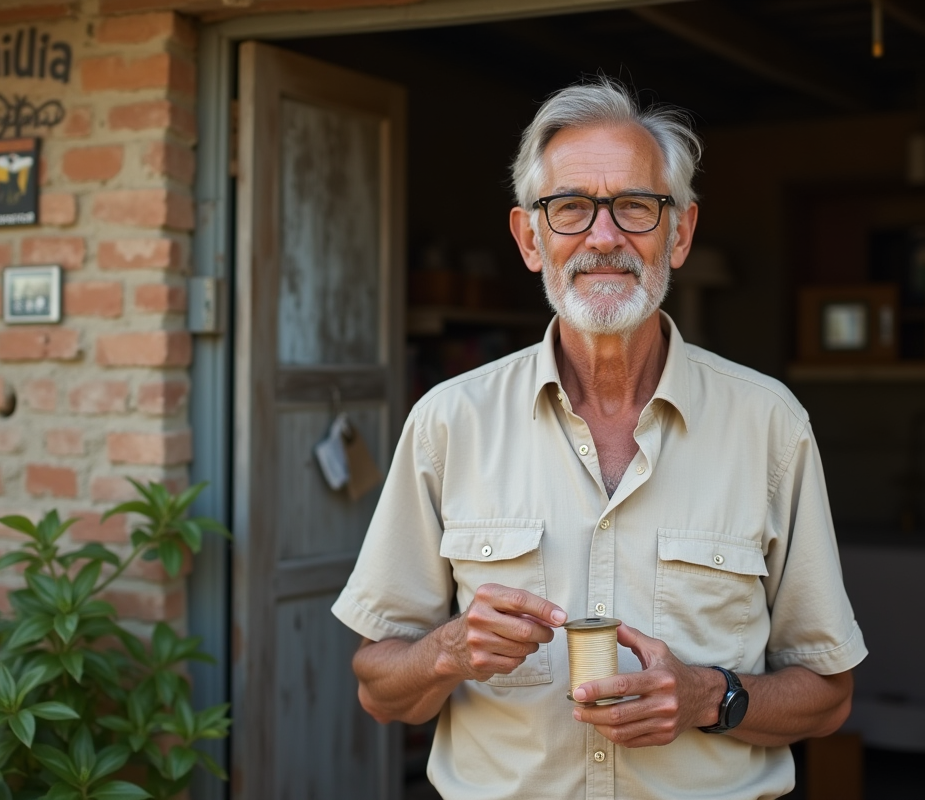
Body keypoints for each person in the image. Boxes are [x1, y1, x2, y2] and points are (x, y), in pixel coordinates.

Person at [332, 78, 867, 800]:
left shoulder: (769, 424)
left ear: (679, 234)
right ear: (530, 237)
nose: (605, 237)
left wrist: (710, 697)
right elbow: (379, 690)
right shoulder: (447, 421)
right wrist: (451, 649)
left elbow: (829, 697)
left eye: (636, 208)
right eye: (571, 207)